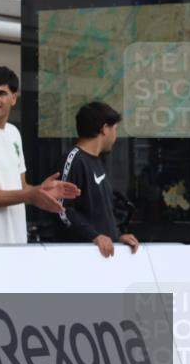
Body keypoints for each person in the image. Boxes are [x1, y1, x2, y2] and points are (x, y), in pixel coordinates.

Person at [0, 66, 80, 245]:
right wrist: (29, 195)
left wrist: (40, 192)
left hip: (13, 242)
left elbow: (21, 187)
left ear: (13, 98)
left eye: (1, 93)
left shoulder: (13, 132)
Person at [57, 102, 139, 257]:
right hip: (83, 257)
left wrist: (118, 236)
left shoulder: (97, 161)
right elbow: (61, 209)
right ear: (104, 128)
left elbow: (100, 214)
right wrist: (93, 236)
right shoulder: (74, 160)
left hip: (103, 257)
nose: (116, 136)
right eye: (115, 129)